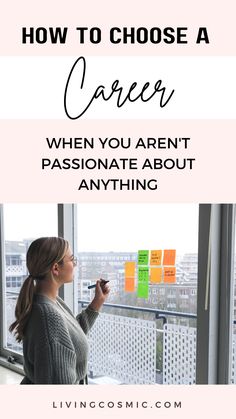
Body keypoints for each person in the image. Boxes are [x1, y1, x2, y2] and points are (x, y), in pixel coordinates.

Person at [9, 236, 110, 384]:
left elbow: (70, 339)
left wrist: (97, 303)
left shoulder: (48, 302)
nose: (75, 264)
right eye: (71, 259)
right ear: (56, 268)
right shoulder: (48, 317)